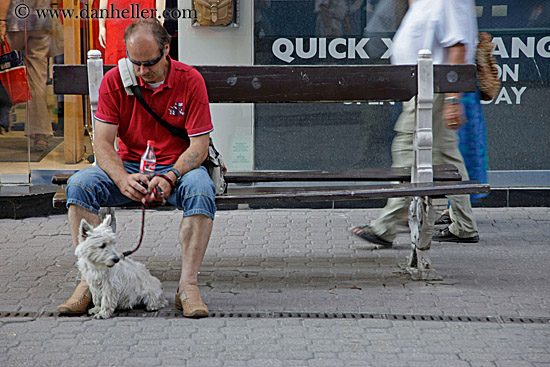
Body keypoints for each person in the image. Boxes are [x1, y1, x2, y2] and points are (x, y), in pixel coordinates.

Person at [58, 19, 216, 318]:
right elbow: (103, 143)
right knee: (80, 184)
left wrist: (171, 176)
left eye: (150, 63)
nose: (142, 71)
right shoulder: (116, 79)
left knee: (201, 189)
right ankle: (88, 283)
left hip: (176, 166)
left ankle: (188, 286)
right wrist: (121, 178)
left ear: (167, 49)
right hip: (128, 164)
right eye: (136, 63)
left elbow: (198, 147)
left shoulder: (190, 80)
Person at [349, 0, 480, 246]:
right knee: (447, 158)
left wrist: (453, 100)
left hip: (435, 90)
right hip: (424, 89)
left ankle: (386, 226)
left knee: (407, 151)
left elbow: (459, 47)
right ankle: (464, 225)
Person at [6, 0, 54, 150]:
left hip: (13, 20)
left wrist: (1, 20)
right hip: (41, 20)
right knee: (37, 78)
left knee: (5, 72)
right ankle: (40, 133)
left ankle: (4, 121)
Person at [99, 0, 165, 64]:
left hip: (143, 22)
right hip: (116, 26)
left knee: (144, 60)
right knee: (115, 63)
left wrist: (159, 25)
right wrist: (101, 26)